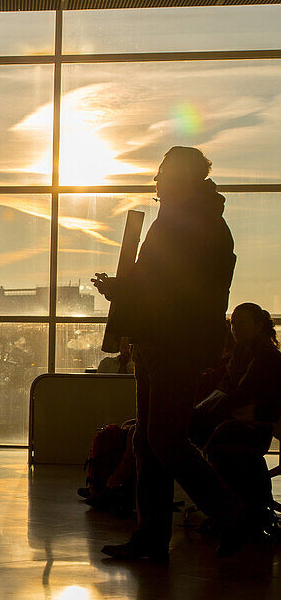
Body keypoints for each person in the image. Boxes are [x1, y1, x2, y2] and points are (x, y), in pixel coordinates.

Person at [92, 147, 246, 561]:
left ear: (175, 177)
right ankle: (153, 535)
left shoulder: (187, 224)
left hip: (173, 342)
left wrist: (123, 291)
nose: (156, 181)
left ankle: (230, 517)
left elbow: (170, 288)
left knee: (162, 438)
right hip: (165, 340)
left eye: (161, 174)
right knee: (149, 439)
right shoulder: (197, 221)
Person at [190, 302, 281, 519]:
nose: (236, 328)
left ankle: (229, 507)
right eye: (234, 323)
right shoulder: (240, 355)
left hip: (250, 426)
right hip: (236, 421)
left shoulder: (267, 358)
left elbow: (241, 395)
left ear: (259, 326)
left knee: (181, 429)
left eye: (242, 323)